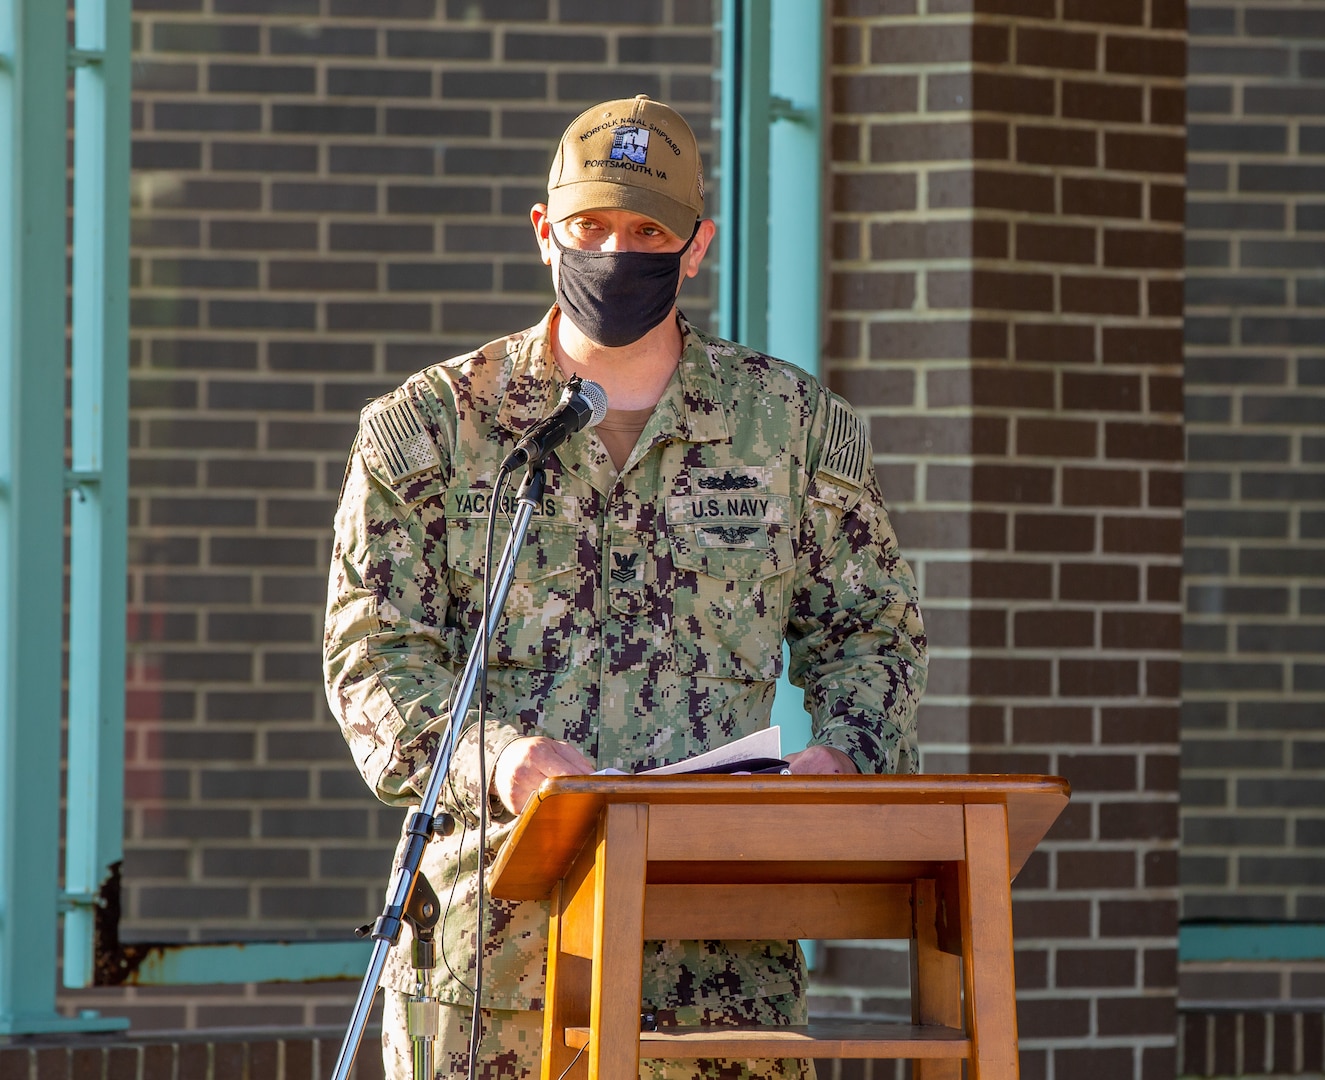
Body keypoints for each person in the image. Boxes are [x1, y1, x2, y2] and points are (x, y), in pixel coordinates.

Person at [323, 94, 926, 1080]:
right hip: (495, 972)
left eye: (647, 230)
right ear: (544, 229)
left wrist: (844, 763)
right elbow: (373, 660)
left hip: (719, 980)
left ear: (695, 248)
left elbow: (872, 635)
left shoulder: (793, 430)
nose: (616, 250)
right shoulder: (430, 430)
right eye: (592, 225)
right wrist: (504, 759)